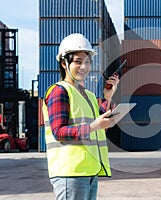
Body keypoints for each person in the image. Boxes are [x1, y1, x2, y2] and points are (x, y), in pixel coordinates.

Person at [42, 33, 119, 200]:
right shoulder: (59, 91)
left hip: (89, 170)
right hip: (70, 172)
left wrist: (108, 97)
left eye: (87, 62)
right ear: (64, 63)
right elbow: (59, 132)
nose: (84, 67)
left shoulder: (88, 95)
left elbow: (98, 120)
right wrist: (94, 126)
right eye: (78, 61)